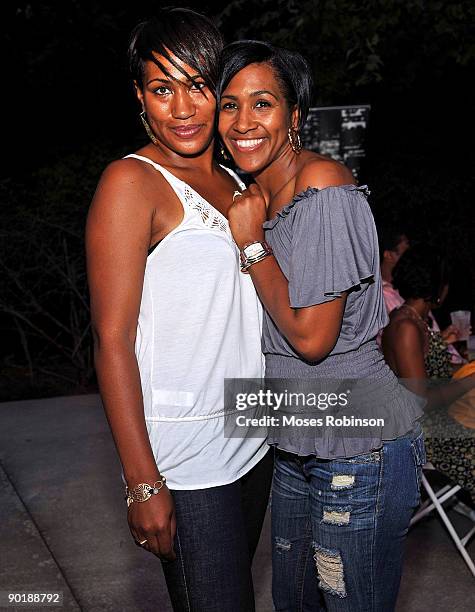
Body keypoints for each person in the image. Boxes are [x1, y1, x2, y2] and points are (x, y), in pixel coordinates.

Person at [217, 40, 425, 612]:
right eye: (229, 105)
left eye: (262, 103)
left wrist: (253, 247)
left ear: (295, 117)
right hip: (297, 432)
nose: (243, 121)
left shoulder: (323, 185)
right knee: (294, 601)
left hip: (358, 441)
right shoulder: (258, 192)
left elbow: (313, 340)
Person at [86, 11, 272, 612]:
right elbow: (111, 341)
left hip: (252, 444)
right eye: (163, 89)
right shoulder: (129, 182)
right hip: (188, 464)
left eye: (197, 85)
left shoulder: (233, 178)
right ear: (140, 96)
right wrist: (142, 479)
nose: (184, 108)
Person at [382, 246, 475, 503]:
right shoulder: (405, 327)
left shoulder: (416, 320)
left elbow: (437, 372)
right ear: (438, 287)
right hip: (429, 432)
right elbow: (421, 400)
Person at [378, 223, 463, 362]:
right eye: (406, 251)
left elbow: (420, 348)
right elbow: (416, 376)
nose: (411, 256)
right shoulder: (389, 301)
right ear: (388, 255)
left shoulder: (411, 300)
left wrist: (441, 340)